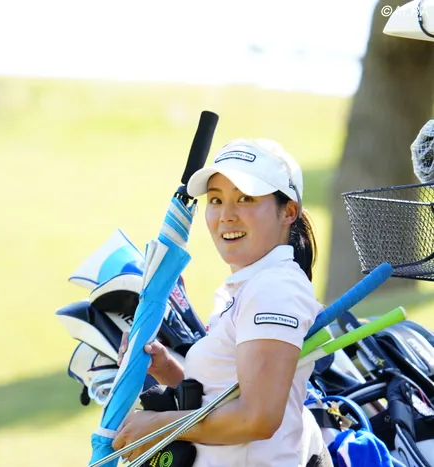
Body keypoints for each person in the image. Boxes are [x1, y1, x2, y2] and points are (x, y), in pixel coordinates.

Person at [112, 138, 328, 466]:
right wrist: (166, 368)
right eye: (216, 199)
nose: (226, 215)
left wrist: (158, 427)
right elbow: (224, 396)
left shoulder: (275, 288)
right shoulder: (247, 288)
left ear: (288, 212)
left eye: (245, 198)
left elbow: (257, 418)